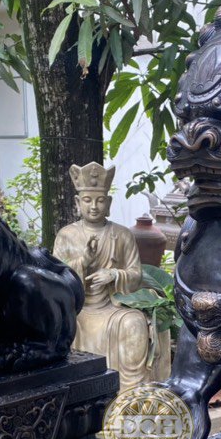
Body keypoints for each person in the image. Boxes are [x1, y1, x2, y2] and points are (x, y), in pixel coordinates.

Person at [52, 162, 162, 392]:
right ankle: (84, 392)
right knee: (63, 328)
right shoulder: (66, 236)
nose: (94, 206)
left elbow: (136, 275)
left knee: (134, 322)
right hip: (79, 310)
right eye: (87, 200)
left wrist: (114, 274)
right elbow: (56, 281)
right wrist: (83, 262)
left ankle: (130, 392)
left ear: (109, 203)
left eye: (100, 200)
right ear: (77, 203)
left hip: (112, 307)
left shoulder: (122, 235)